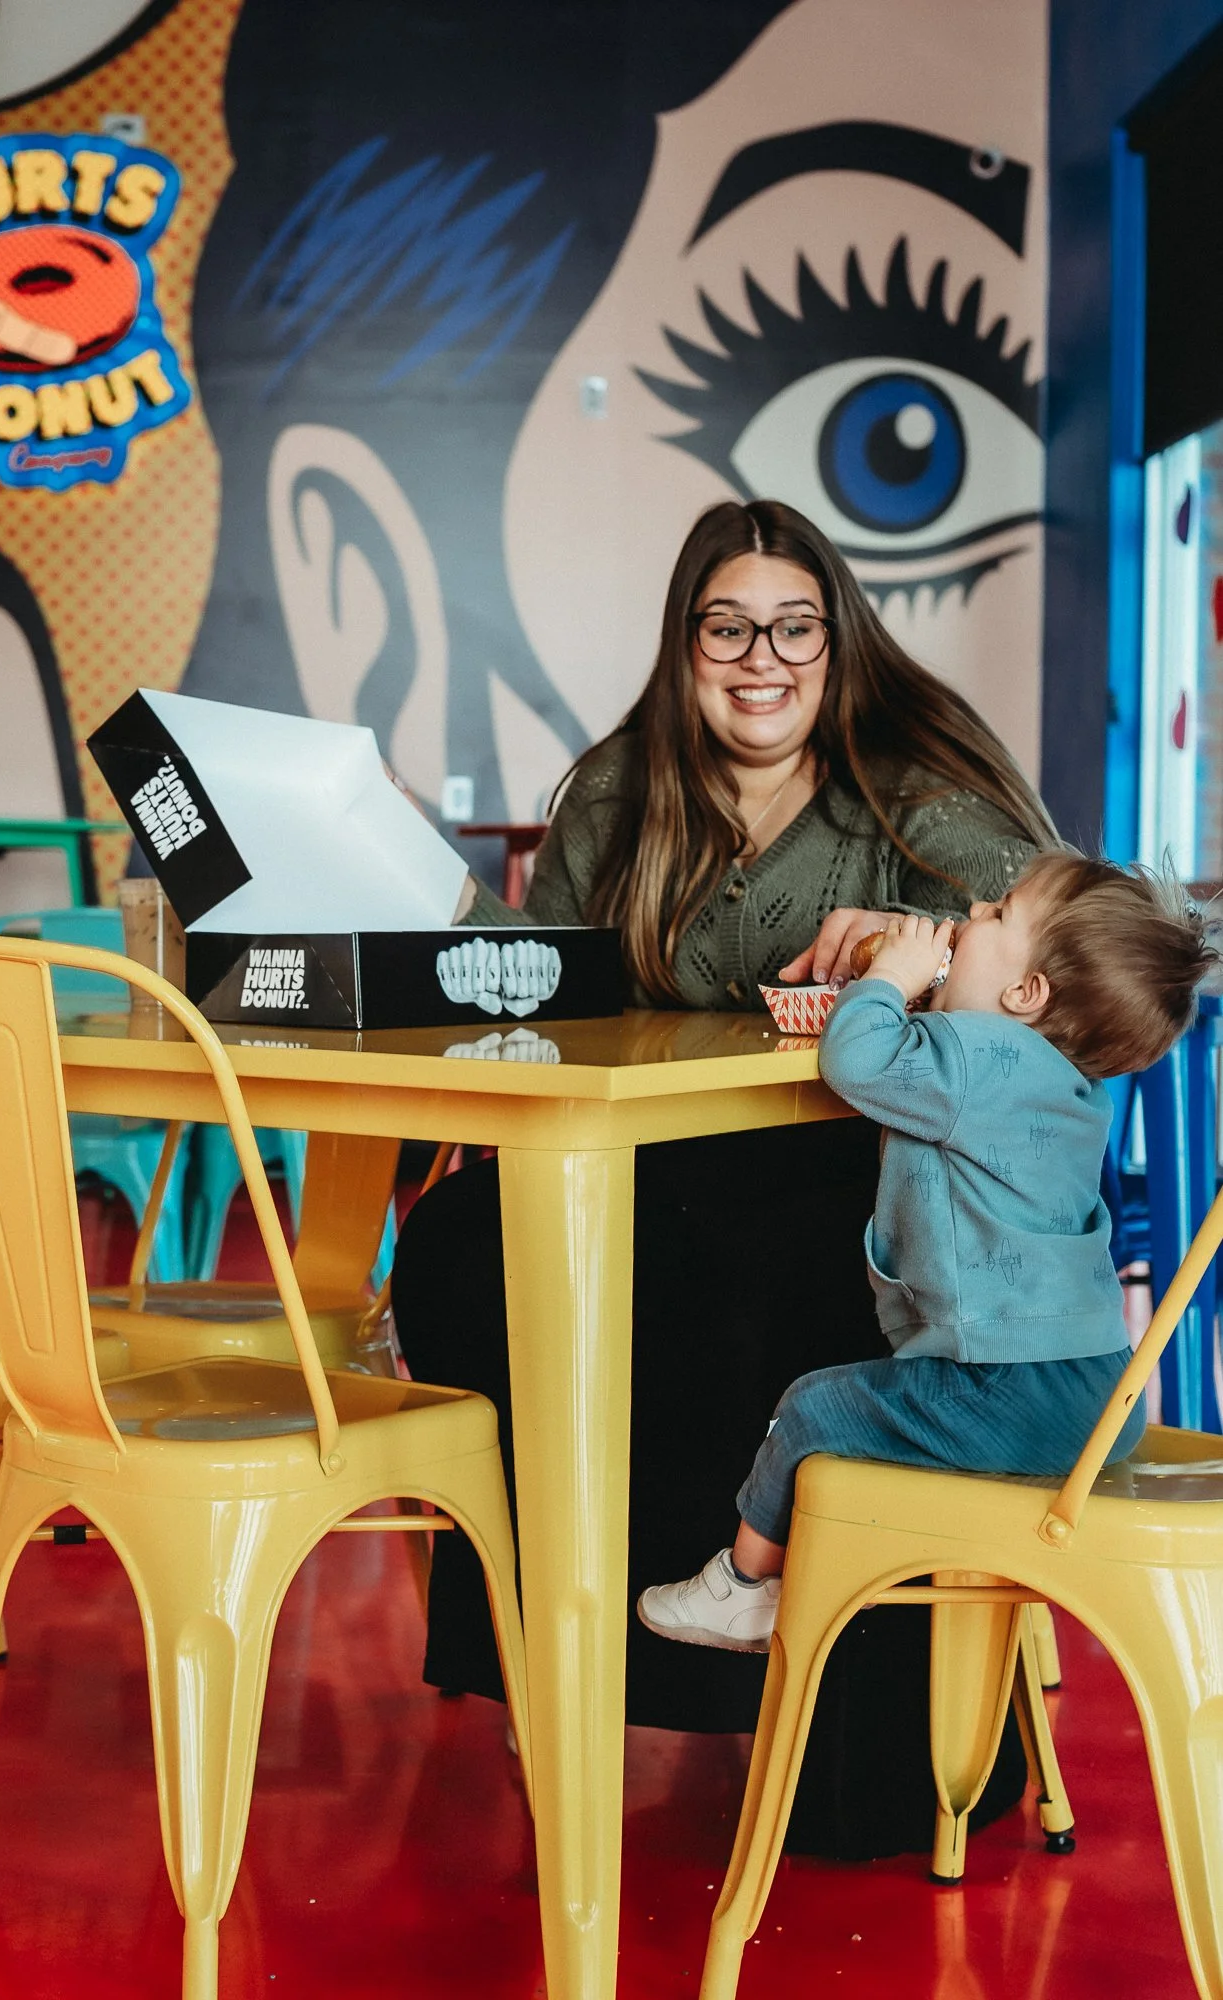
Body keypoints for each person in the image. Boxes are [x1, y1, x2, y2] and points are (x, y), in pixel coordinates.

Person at [391, 495, 1056, 1858]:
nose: (764, 657)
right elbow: (554, 979)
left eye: (796, 626)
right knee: (466, 1242)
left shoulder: (916, 787)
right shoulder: (624, 787)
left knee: (774, 1290)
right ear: (685, 644)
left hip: (868, 1183)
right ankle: (577, 1653)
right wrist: (426, 883)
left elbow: (1091, 935)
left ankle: (832, 1711)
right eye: (728, 627)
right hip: (661, 1164)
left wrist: (929, 937)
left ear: (839, 637)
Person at [639, 854, 1215, 1652]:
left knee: (812, 1407)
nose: (971, 910)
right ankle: (835, 1565)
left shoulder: (976, 1057)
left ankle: (741, 1588)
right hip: (1096, 1402)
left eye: (998, 914)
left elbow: (856, 1058)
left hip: (1002, 1388)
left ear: (1024, 994)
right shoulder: (1068, 1083)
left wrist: (887, 981)